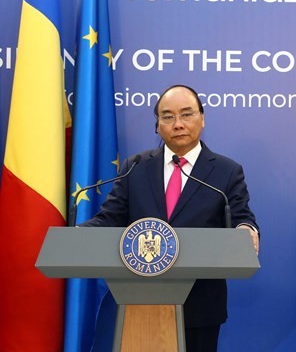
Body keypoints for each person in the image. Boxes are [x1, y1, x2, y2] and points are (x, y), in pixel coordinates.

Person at [81, 85, 259, 352]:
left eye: (187, 115)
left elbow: (240, 216)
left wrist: (246, 228)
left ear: (202, 118)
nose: (178, 124)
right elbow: (110, 218)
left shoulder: (227, 171)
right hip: (140, 301)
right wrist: (75, 235)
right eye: (167, 116)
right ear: (157, 125)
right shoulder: (135, 167)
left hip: (200, 305)